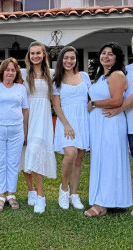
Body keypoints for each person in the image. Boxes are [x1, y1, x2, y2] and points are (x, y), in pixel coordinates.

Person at [85, 42, 132, 217]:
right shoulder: (102, 76)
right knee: (101, 160)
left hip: (111, 123)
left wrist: (94, 103)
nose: (105, 56)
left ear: (117, 58)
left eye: (110, 54)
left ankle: (102, 204)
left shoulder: (117, 75)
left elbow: (117, 100)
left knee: (109, 161)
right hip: (100, 123)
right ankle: (109, 199)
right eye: (103, 53)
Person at [0, 58, 28, 211]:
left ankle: (11, 194)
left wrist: (25, 131)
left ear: (16, 73)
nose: (10, 72)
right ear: (2, 72)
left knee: (13, 163)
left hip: (16, 131)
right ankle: (0, 195)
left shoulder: (21, 89)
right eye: (7, 70)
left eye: (13, 70)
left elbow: (25, 111)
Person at [52, 46, 91, 210]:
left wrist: (91, 110)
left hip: (83, 120)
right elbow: (56, 104)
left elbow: (91, 98)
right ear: (61, 60)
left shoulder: (84, 76)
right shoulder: (57, 79)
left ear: (76, 60)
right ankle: (64, 189)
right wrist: (66, 124)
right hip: (66, 120)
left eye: (72, 58)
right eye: (66, 58)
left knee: (79, 158)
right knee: (70, 153)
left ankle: (74, 195)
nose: (69, 61)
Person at [20, 41, 56, 214]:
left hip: (43, 117)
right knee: (26, 151)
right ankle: (31, 191)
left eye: (38, 53)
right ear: (29, 56)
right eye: (32, 53)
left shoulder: (51, 74)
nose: (35, 56)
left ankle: (41, 196)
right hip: (27, 114)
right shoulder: (23, 74)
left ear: (44, 55)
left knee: (36, 151)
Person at [101, 37, 133, 216]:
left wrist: (118, 108)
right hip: (128, 125)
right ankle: (118, 199)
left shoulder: (120, 73)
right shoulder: (126, 70)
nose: (106, 57)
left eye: (110, 54)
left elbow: (121, 99)